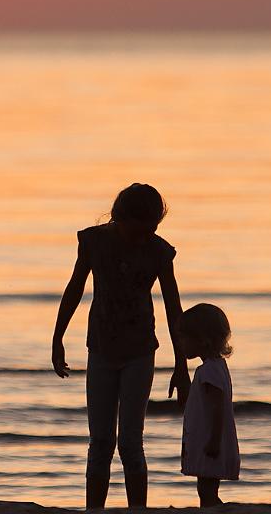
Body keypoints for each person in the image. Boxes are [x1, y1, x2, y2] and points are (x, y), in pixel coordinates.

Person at [52, 183, 189, 509]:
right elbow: (75, 287)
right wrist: (57, 338)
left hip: (141, 350)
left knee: (130, 442)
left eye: (152, 228)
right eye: (139, 229)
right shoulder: (94, 242)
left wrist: (181, 365)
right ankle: (93, 509)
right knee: (100, 442)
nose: (145, 236)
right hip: (100, 348)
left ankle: (136, 510)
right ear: (120, 218)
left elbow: (173, 306)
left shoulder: (158, 251)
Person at [178, 303, 239, 507]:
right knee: (206, 489)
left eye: (185, 338)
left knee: (206, 490)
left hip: (210, 442)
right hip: (210, 439)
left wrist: (213, 440)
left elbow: (217, 408)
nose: (181, 343)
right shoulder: (216, 367)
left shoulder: (209, 372)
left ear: (202, 340)